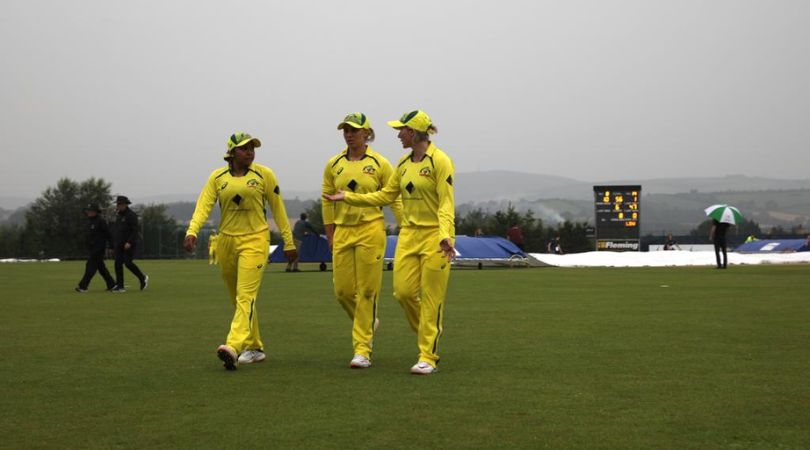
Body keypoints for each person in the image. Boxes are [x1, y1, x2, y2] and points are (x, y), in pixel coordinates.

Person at [324, 110, 455, 375]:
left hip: (434, 236)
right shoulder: (404, 164)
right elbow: (385, 195)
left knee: (430, 298)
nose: (398, 135)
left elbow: (446, 203)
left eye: (402, 130)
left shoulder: (440, 161)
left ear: (415, 132)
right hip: (409, 235)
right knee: (403, 293)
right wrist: (349, 197)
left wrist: (445, 235)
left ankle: (427, 355)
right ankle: (429, 331)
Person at [183, 132, 298, 371]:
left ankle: (233, 346)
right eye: (244, 148)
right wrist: (192, 231)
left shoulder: (264, 174)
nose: (250, 152)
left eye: (252, 148)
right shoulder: (218, 177)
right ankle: (254, 347)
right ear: (232, 152)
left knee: (246, 296)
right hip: (227, 242)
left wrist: (288, 242)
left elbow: (279, 209)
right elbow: (204, 205)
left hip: (255, 240)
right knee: (239, 299)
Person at [322, 112, 402, 369]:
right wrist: (330, 233)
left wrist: (406, 225)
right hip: (343, 231)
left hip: (371, 229)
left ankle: (362, 350)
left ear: (366, 133)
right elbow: (327, 201)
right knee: (343, 292)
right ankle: (368, 322)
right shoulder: (334, 164)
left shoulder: (380, 163)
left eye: (354, 130)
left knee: (367, 291)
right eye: (345, 130)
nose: (349, 134)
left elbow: (393, 197)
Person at [75, 203, 116, 292]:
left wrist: (111, 246)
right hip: (92, 248)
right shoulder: (90, 221)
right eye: (88, 210)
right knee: (101, 268)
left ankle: (83, 286)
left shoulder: (101, 221)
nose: (88, 212)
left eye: (90, 210)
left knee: (90, 266)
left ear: (95, 212)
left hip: (99, 248)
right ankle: (112, 284)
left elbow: (108, 234)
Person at [111, 195, 148, 292]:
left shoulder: (131, 215)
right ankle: (120, 286)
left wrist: (129, 242)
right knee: (117, 263)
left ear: (125, 204)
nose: (118, 206)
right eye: (117, 204)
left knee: (128, 263)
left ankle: (142, 278)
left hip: (128, 244)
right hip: (119, 243)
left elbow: (135, 230)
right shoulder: (119, 215)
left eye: (120, 204)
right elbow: (117, 230)